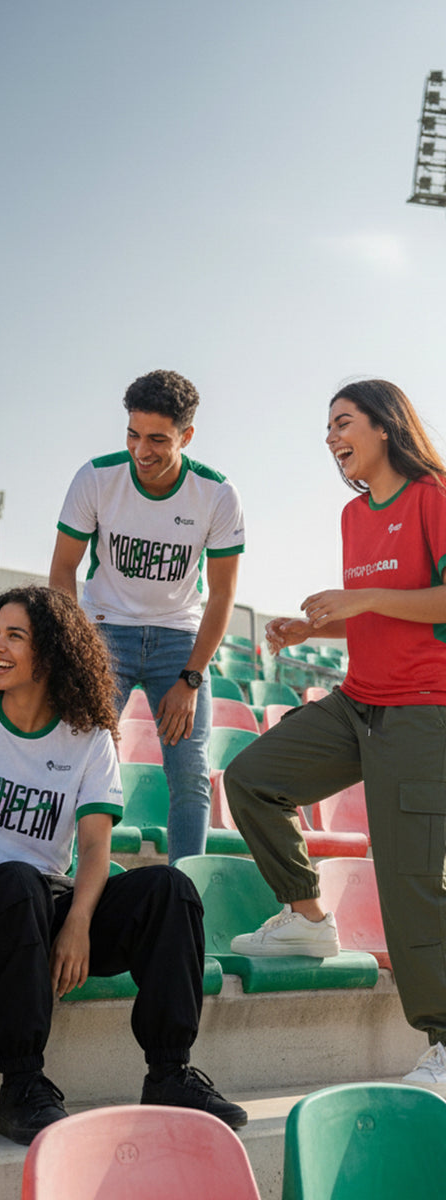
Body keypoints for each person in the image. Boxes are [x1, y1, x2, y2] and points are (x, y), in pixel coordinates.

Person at [0, 585, 247, 1144]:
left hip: (44, 902)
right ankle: (22, 1084)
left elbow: (95, 849)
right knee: (17, 883)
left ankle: (169, 1072)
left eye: (15, 636)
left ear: (52, 652)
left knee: (169, 888)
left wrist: (78, 923)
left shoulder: (87, 738)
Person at [223, 379, 446, 1090]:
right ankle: (309, 915)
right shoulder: (354, 515)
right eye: (327, 427)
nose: (331, 438)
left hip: (422, 710)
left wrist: (363, 597)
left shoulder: (434, 495)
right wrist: (313, 628)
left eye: (343, 422)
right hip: (357, 702)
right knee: (251, 778)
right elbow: (379, 616)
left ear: (385, 426)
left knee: (411, 884)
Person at [49, 370, 245, 862]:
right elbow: (63, 568)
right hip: (103, 632)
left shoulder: (217, 494)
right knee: (75, 760)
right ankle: (63, 880)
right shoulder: (96, 477)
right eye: (133, 434)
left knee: (190, 773)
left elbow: (223, 594)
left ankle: (183, 890)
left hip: (178, 639)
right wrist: (76, 649)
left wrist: (192, 677)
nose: (142, 450)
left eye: (158, 439)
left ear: (186, 436)